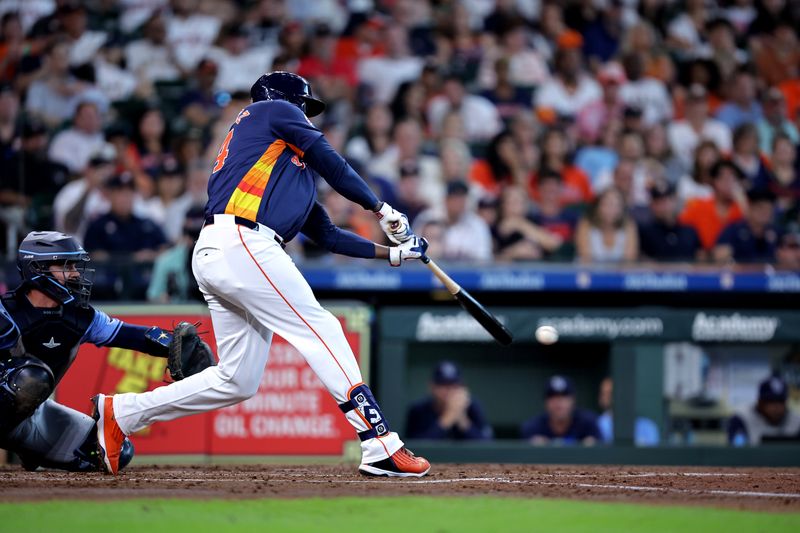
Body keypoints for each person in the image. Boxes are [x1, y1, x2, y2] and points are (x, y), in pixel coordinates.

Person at [92, 72, 431, 478]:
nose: (306, 114)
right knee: (322, 328)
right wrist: (382, 209)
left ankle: (122, 412)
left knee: (238, 380)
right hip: (243, 242)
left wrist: (394, 253)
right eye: (304, 106)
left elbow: (326, 235)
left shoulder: (283, 166)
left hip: (226, 249)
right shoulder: (270, 110)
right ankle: (380, 443)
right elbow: (334, 163)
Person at [0, 231, 189, 471]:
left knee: (114, 451)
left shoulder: (79, 316)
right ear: (38, 269)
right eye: (66, 266)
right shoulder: (5, 313)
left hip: (29, 418)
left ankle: (29, 446)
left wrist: (176, 344)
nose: (75, 273)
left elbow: (129, 335)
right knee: (30, 379)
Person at [405, 361, 492, 440]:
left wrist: (463, 421)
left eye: (453, 385)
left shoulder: (472, 407)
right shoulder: (418, 410)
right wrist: (446, 420)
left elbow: (488, 446)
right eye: (443, 385)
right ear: (432, 387)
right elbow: (414, 449)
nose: (449, 391)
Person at [679, 160, 746, 251]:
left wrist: (743, 202)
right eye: (726, 179)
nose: (730, 184)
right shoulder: (699, 206)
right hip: (705, 262)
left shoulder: (742, 208)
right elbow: (680, 227)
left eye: (734, 179)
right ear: (714, 181)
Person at [146, 206, 205, 304]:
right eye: (191, 234)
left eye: (199, 234)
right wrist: (163, 300)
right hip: (178, 313)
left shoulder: (221, 260)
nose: (195, 241)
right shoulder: (166, 261)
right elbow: (153, 298)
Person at [520, 375, 602, 446]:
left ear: (573, 400)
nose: (558, 402)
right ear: (545, 402)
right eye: (552, 397)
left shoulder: (588, 423)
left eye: (564, 396)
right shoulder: (533, 427)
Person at [638, 181, 702, 262]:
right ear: (652, 205)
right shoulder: (645, 232)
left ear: (674, 201)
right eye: (658, 202)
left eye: (666, 201)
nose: (663, 207)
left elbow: (701, 258)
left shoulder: (690, 231)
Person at [728, 376, 800, 446]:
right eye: (771, 401)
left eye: (780, 401)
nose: (776, 407)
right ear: (760, 402)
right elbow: (737, 452)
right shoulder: (742, 419)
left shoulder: (796, 421)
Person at [713, 189, 779, 264]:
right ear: (750, 208)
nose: (764, 212)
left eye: (768, 209)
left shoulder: (777, 232)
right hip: (740, 273)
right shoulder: (733, 230)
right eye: (760, 208)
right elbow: (719, 255)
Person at [575, 187, 639, 263]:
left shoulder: (629, 226)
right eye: (607, 204)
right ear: (598, 206)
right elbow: (585, 258)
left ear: (622, 209)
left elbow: (629, 261)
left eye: (616, 205)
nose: (611, 209)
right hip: (590, 273)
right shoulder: (586, 224)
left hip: (618, 274)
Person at [596, 377, 660, 446]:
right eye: (603, 393)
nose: (606, 397)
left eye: (610, 393)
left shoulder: (648, 427)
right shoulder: (598, 425)